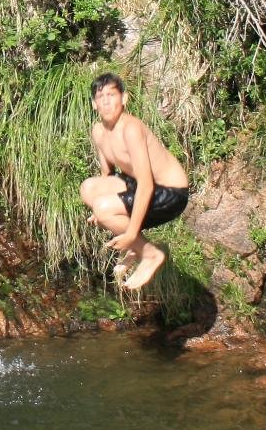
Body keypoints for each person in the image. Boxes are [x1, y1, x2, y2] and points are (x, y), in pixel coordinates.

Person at [79, 72, 193, 291]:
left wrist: (130, 232)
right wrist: (100, 210)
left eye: (112, 94)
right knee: (88, 190)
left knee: (104, 209)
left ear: (124, 98)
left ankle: (149, 253)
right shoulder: (98, 131)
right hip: (139, 185)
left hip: (171, 193)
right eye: (100, 96)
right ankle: (135, 248)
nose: (106, 100)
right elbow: (107, 175)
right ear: (94, 104)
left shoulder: (131, 128)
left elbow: (147, 184)